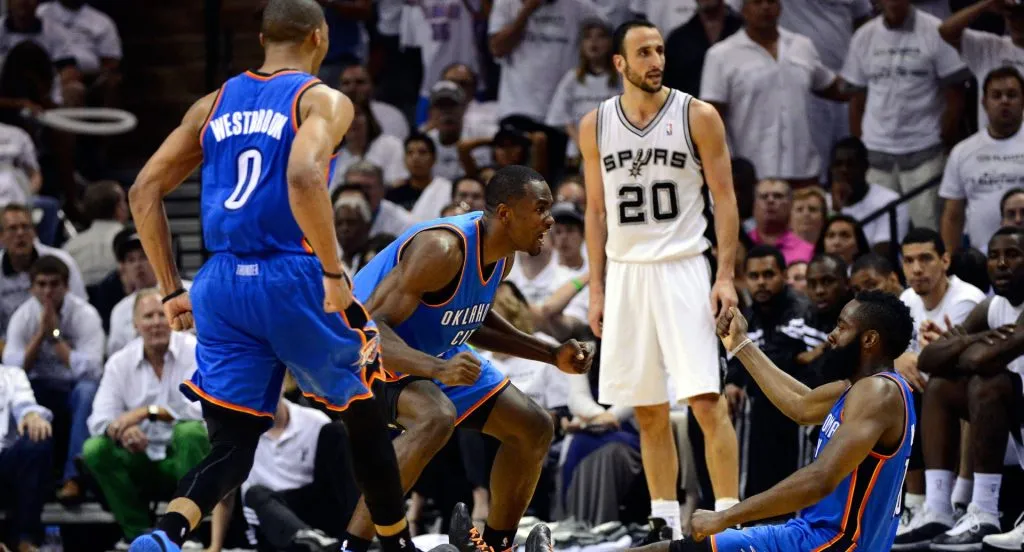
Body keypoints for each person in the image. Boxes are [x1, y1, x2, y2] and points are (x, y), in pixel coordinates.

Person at [122, 2, 441, 551]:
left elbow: (143, 190)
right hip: (291, 273)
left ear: (263, 37)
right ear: (320, 37)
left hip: (220, 280)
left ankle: (167, 533)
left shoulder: (211, 103)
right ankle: (394, 543)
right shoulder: (322, 98)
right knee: (364, 413)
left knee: (234, 443)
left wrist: (172, 289)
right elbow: (302, 173)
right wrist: (333, 271)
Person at [524, 290, 917, 552]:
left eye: (842, 327)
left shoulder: (877, 394)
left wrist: (726, 516)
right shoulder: (863, 387)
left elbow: (820, 479)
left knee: (686, 548)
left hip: (831, 542)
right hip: (822, 536)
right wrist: (742, 346)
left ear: (869, 340)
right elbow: (799, 404)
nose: (831, 335)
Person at [346, 165, 593, 552]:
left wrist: (550, 354)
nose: (549, 220)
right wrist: (437, 368)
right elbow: (370, 331)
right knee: (435, 416)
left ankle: (496, 545)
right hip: (360, 353)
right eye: (542, 208)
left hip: (430, 350)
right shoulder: (442, 249)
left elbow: (471, 318)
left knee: (533, 427)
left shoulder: (502, 255)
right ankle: (354, 547)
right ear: (507, 214)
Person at [579, 19, 741, 538]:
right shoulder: (595, 123)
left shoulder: (698, 115)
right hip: (626, 275)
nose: (656, 61)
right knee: (647, 407)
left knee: (705, 401)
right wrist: (597, 287)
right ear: (620, 64)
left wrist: (726, 276)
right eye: (643, 53)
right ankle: (665, 521)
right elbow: (596, 213)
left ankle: (728, 518)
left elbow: (726, 198)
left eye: (660, 50)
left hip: (685, 268)